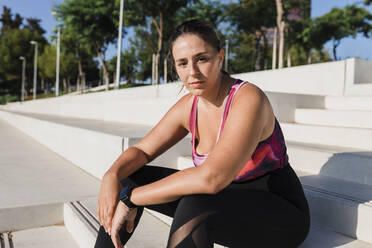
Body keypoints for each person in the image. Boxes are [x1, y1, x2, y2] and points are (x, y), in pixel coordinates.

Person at [94, 19, 310, 248]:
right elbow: (142, 150)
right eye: (183, 63)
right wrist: (112, 176)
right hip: (222, 203)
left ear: (220, 57)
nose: (192, 72)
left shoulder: (248, 99)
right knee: (129, 176)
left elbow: (211, 178)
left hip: (278, 214)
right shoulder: (189, 106)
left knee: (193, 202)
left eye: (202, 59)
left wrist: (131, 197)